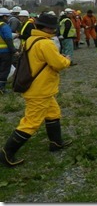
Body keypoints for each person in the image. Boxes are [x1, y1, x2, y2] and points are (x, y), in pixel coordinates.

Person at [0, 13, 71, 167]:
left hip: (39, 87)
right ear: (47, 28)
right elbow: (58, 64)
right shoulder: (46, 43)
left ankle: (56, 143)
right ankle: (6, 153)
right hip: (40, 89)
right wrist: (67, 60)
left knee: (53, 113)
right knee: (31, 122)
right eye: (52, 28)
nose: (54, 31)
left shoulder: (31, 39)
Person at [0, 8, 17, 94]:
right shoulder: (4, 26)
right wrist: (14, 51)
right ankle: (1, 88)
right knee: (4, 69)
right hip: (4, 52)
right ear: (4, 17)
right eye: (7, 17)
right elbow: (8, 39)